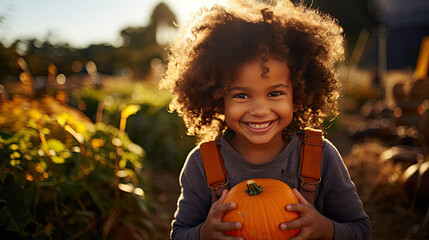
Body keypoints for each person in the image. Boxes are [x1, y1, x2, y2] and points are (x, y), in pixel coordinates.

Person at [160, 0, 371, 239]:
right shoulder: (203, 164)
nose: (260, 109)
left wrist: (325, 228)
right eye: (241, 95)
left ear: (298, 94)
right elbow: (179, 234)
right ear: (219, 99)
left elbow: (361, 231)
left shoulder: (320, 157)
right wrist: (204, 233)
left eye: (275, 93)